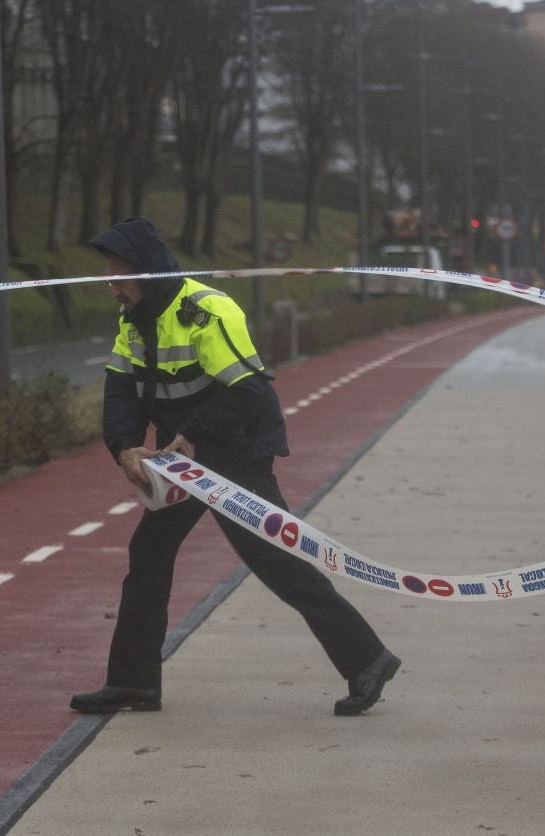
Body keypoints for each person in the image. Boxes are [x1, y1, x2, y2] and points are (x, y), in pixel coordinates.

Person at [70, 218, 400, 717]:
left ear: (147, 274)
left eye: (119, 279)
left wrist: (190, 435)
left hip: (235, 449)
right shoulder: (133, 320)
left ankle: (368, 660)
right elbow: (121, 391)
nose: (113, 289)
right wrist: (124, 447)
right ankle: (133, 683)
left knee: (275, 559)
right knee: (148, 555)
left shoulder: (207, 311)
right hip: (182, 457)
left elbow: (249, 391)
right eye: (109, 280)